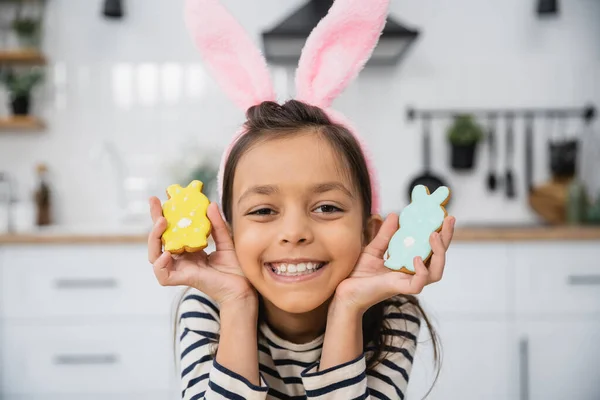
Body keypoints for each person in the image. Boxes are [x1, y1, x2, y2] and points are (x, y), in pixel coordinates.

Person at [148, 0, 456, 399]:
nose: (294, 233)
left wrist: (348, 310)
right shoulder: (210, 306)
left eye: (326, 207)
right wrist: (238, 306)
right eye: (262, 211)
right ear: (225, 233)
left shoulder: (390, 311)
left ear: (370, 232)